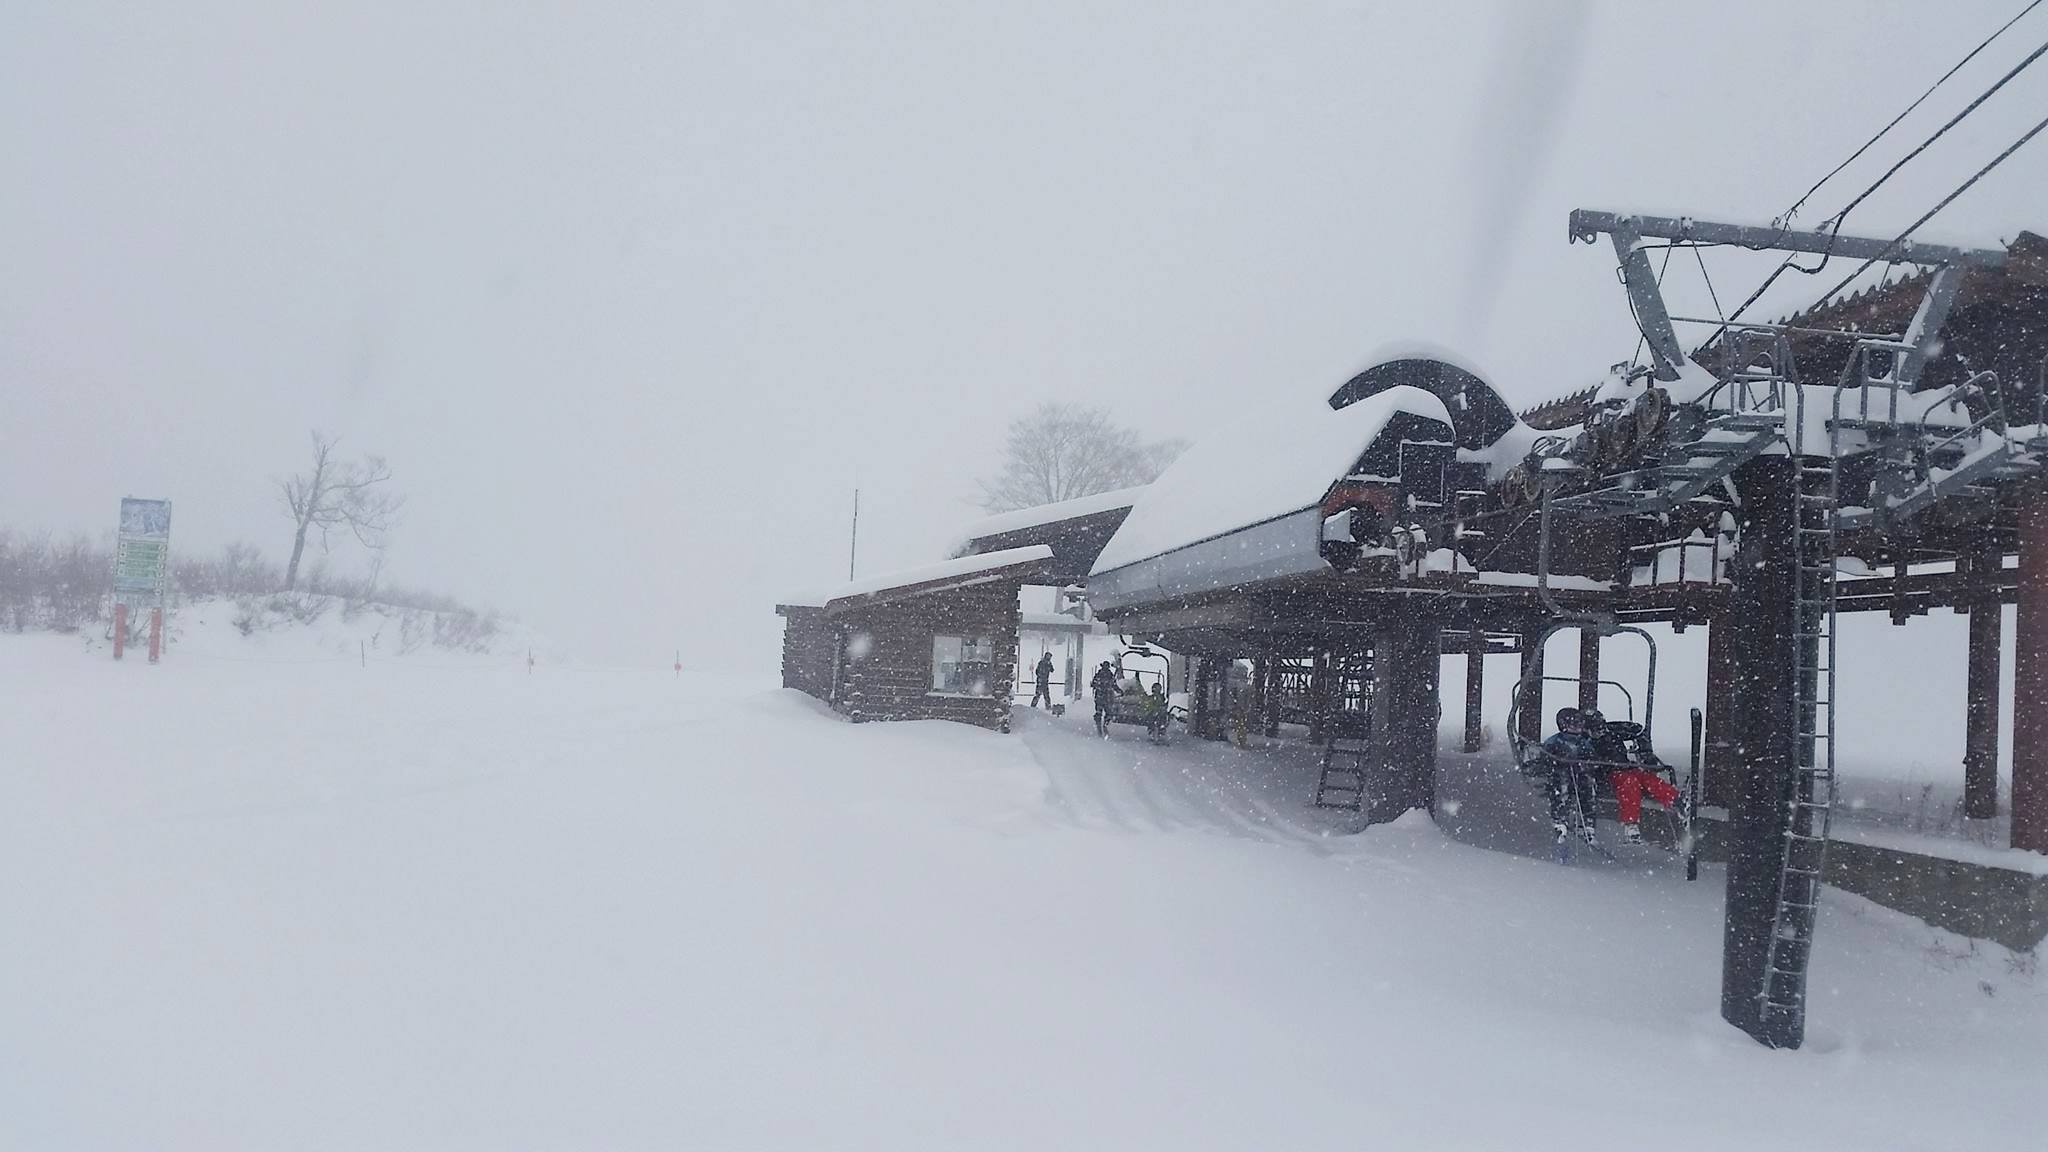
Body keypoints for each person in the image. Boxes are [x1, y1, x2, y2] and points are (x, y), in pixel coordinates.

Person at [1582, 708, 1683, 845]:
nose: (1600, 731)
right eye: (1595, 729)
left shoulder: (1612, 732)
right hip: (1608, 773)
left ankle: (1675, 799)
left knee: (1646, 777)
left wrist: (1646, 751)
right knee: (1630, 783)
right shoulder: (1584, 742)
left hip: (1626, 766)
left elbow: (1637, 730)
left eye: (1601, 727)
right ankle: (1631, 824)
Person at [1539, 707, 1598, 845]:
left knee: (1589, 789)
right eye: (1575, 724)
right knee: (1561, 788)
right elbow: (1545, 757)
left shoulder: (1583, 742)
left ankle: (1587, 823)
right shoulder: (1555, 741)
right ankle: (1560, 820)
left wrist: (1588, 765)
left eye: (1580, 724)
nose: (1578, 728)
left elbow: (1591, 756)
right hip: (1561, 772)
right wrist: (1555, 762)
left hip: (1579, 773)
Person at [1089, 660, 1120, 736]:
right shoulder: (1099, 675)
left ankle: (1104, 726)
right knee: (1100, 713)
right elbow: (1093, 684)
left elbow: (1114, 684)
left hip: (1106, 697)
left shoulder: (1110, 675)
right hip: (1101, 697)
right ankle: (1100, 727)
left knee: (1108, 713)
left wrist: (1118, 690)